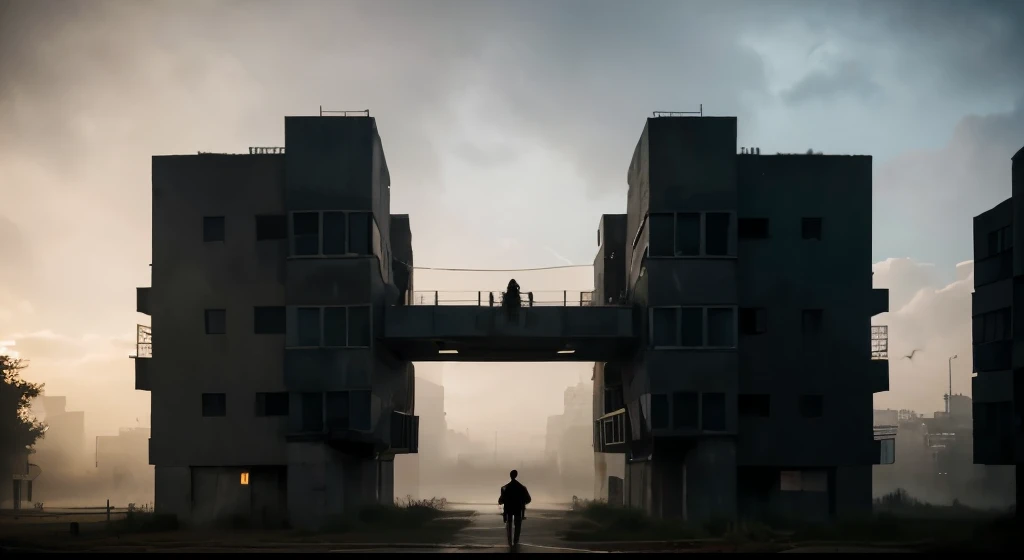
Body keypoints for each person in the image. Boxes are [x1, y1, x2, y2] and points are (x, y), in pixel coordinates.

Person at [498, 469, 532, 546]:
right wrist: (522, 503)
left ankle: (510, 541)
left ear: (510, 476)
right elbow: (528, 499)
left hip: (508, 509)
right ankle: (516, 541)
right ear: (516, 475)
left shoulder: (505, 488)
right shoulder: (522, 488)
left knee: (509, 525)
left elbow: (501, 500)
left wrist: (503, 502)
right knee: (518, 525)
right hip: (518, 508)